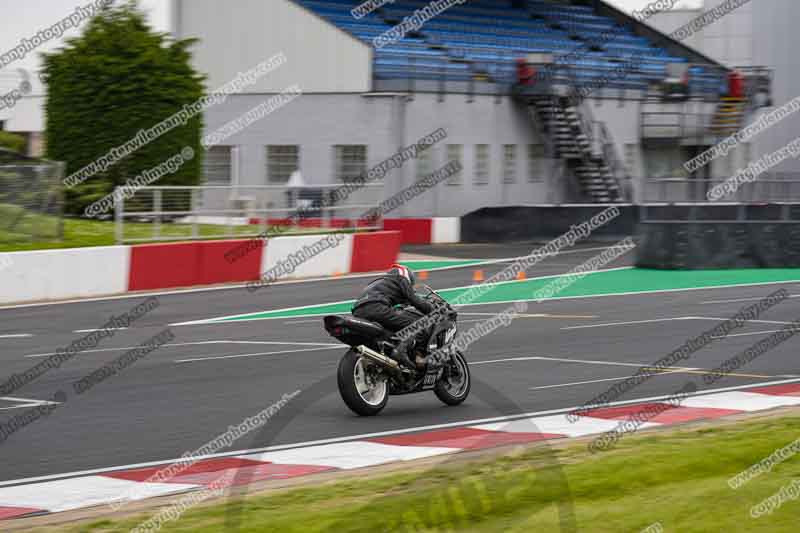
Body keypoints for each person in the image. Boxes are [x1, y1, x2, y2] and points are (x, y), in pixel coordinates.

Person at [351, 264, 433, 370]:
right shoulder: (401, 275)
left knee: (388, 331)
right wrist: (432, 310)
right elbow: (413, 298)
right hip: (376, 307)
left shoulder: (380, 283)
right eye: (411, 283)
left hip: (358, 311)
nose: (410, 285)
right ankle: (401, 350)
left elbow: (404, 301)